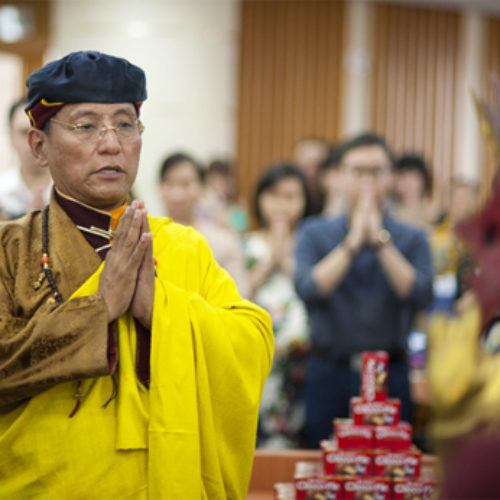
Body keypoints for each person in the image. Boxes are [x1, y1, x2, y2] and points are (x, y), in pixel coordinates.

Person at [0, 51, 273, 500]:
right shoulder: (12, 250)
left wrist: (159, 308)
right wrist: (99, 310)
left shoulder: (182, 247)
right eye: (86, 126)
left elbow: (253, 341)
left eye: (125, 125)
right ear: (39, 146)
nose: (111, 144)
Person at [294, 132, 434, 448]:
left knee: (390, 475)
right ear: (340, 176)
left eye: (377, 171)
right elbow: (308, 288)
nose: (367, 181)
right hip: (329, 372)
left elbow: (420, 295)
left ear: (392, 178)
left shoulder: (413, 238)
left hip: (390, 374)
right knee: (324, 476)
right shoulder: (314, 232)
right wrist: (353, 242)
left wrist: (380, 242)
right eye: (358, 171)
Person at [243, 163, 311, 449]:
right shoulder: (247, 242)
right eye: (273, 195)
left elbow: (314, 288)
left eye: (291, 196)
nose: (282, 204)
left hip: (302, 355)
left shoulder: (312, 242)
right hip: (259, 352)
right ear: (259, 198)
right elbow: (241, 289)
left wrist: (286, 255)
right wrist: (273, 255)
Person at [158, 151, 250, 298]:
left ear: (201, 188)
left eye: (185, 184)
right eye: (169, 183)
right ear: (160, 188)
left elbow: (240, 293)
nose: (177, 194)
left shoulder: (224, 242)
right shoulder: (149, 237)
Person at [0, 97, 52, 219]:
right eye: (24, 133)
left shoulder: (73, 194)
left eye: (40, 132)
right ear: (11, 136)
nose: (33, 142)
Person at [392, 153, 437, 231]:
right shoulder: (391, 214)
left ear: (424, 180)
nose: (408, 184)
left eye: (414, 178)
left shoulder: (436, 212)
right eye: (403, 178)